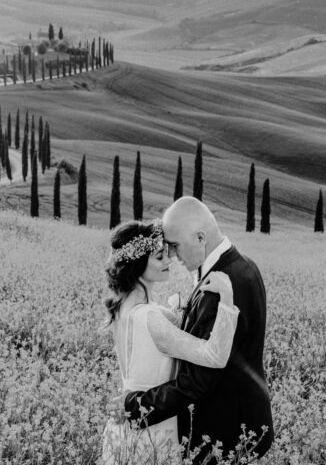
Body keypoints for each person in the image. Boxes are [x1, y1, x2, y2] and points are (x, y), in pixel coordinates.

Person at [123, 197, 274, 463]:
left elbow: (198, 382)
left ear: (201, 237)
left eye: (175, 245)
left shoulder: (220, 288)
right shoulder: (243, 265)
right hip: (244, 424)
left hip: (225, 434)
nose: (172, 255)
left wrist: (135, 407)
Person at [101, 219, 240, 464]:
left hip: (125, 426)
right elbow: (215, 356)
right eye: (159, 257)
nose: (169, 261)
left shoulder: (122, 308)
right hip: (152, 432)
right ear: (137, 264)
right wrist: (227, 298)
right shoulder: (149, 317)